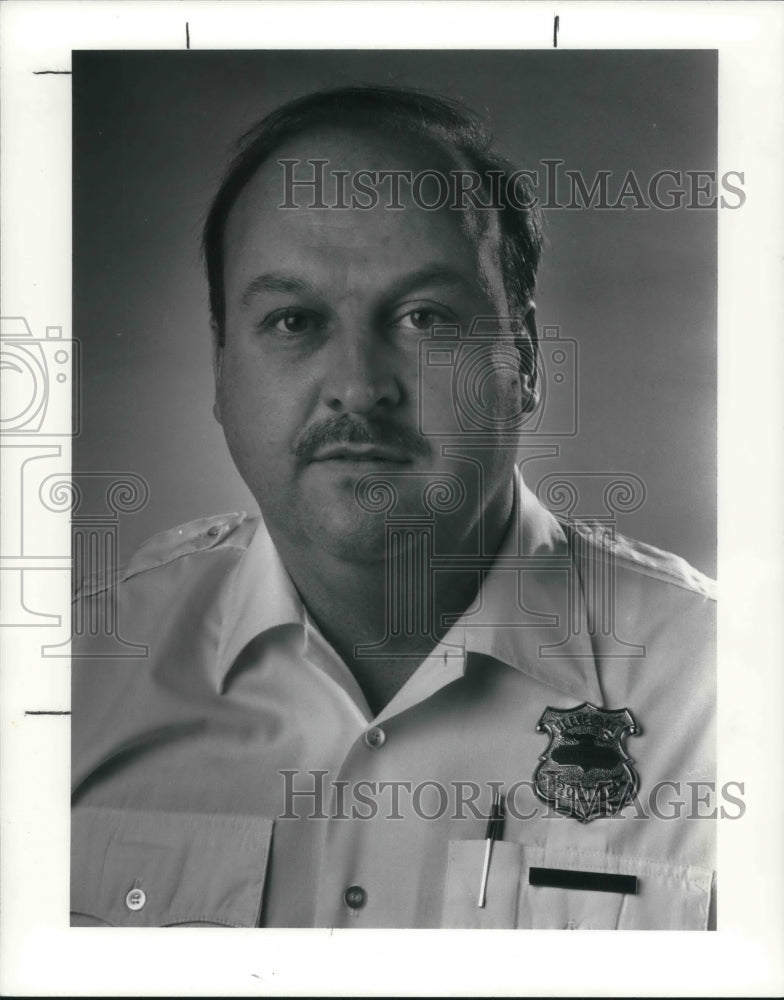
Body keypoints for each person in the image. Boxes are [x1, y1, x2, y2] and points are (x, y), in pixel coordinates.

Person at [71, 85, 716, 929]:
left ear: (521, 361)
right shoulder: (67, 684)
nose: (358, 388)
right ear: (222, 372)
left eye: (422, 317)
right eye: (294, 319)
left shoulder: (725, 698)